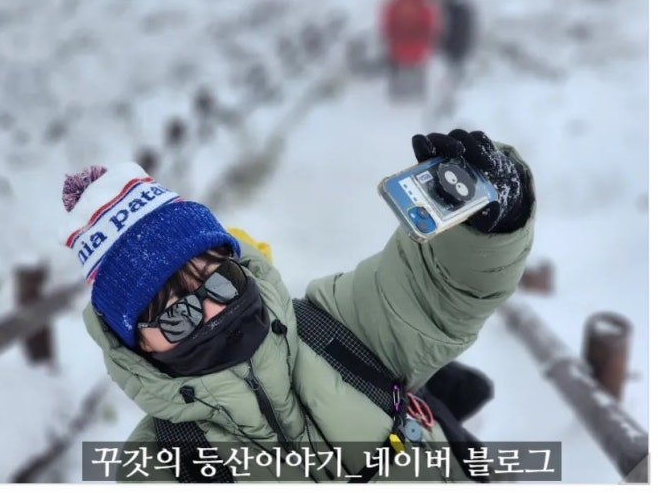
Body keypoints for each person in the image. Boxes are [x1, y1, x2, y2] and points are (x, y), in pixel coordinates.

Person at [62, 128, 535, 482]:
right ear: (136, 343)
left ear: (239, 266)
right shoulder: (160, 469)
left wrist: (487, 226)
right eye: (176, 315)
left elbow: (438, 287)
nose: (210, 313)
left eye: (219, 283)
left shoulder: (334, 327)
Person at [379, 0, 441, 100]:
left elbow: (386, 25)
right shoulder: (425, 4)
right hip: (419, 50)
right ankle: (417, 93)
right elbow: (431, 27)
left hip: (397, 50)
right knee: (418, 68)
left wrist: (391, 40)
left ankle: (396, 93)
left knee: (395, 64)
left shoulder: (393, 3)